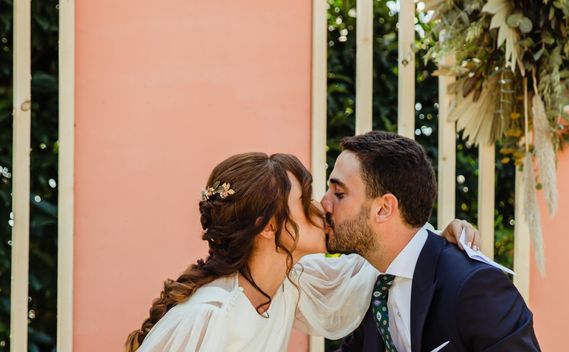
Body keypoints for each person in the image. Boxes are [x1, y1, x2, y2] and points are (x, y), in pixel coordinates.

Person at [125, 152, 478, 351]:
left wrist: (428, 238)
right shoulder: (208, 317)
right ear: (267, 226)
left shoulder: (289, 287)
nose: (322, 206)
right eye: (304, 200)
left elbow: (374, 264)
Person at [322, 131, 541, 352]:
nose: (323, 203)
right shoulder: (374, 288)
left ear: (384, 208)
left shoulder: (474, 286)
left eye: (338, 193)